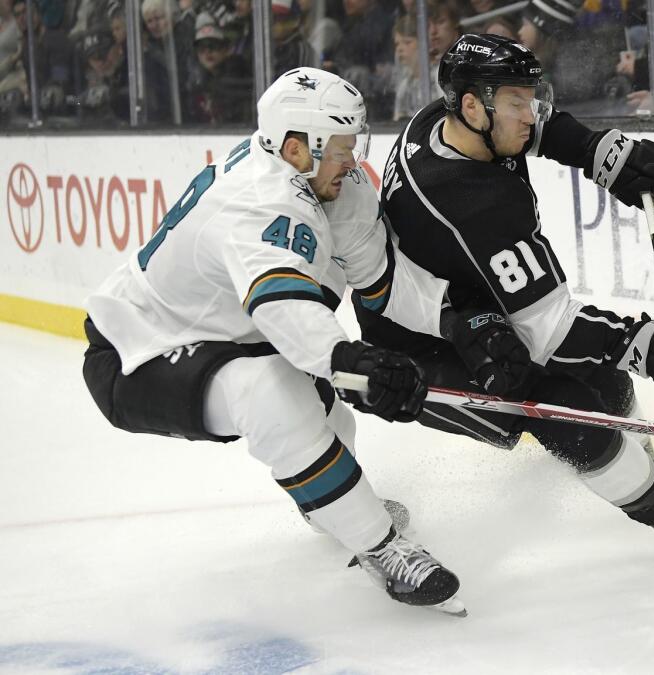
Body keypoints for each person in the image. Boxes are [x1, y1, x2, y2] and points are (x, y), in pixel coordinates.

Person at [81, 67, 531, 615]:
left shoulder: (326, 179)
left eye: (352, 144)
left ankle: (331, 506)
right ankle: (382, 548)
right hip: (138, 351)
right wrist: (350, 359)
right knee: (273, 396)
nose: (352, 159)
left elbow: (378, 277)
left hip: (231, 333)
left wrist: (455, 319)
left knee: (326, 420)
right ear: (297, 148)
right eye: (341, 148)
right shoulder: (258, 200)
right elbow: (283, 305)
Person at [365, 34, 654, 587]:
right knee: (556, 403)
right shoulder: (471, 203)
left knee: (596, 370)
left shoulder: (447, 117)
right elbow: (550, 328)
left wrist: (597, 151)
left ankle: (637, 466)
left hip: (472, 300)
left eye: (531, 98)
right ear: (474, 107)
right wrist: (646, 346)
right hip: (420, 345)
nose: (530, 115)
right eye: (517, 104)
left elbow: (540, 126)